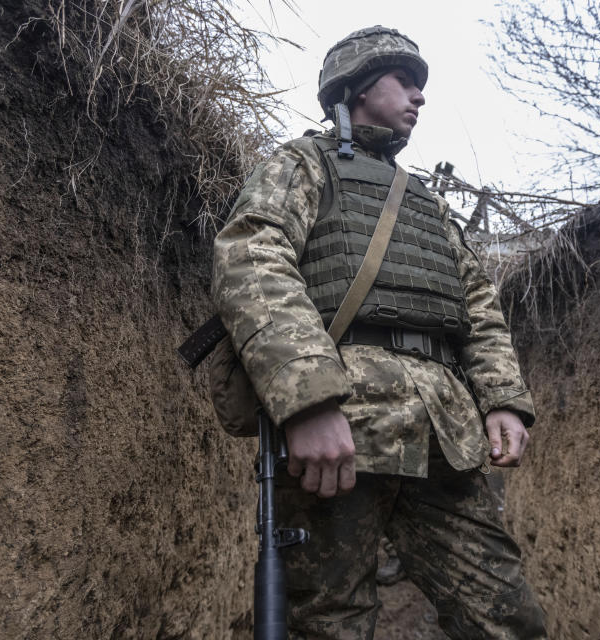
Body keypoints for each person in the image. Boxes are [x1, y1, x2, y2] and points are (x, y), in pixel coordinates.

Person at [212, 25, 547, 639]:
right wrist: (309, 401)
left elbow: (477, 304)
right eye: (405, 82)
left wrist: (502, 399)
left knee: (507, 617)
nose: (420, 98)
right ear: (360, 86)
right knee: (330, 624)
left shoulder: (426, 201)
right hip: (340, 430)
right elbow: (251, 256)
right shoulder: (301, 163)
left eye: (422, 87)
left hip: (445, 435)